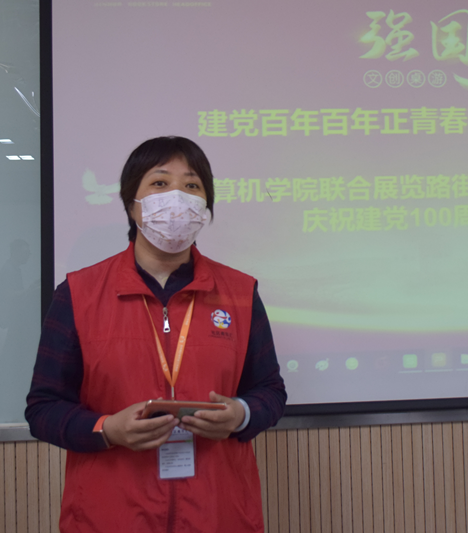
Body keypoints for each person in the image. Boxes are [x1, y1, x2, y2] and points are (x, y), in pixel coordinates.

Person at [25, 136, 287, 532]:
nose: (177, 197)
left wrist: (240, 415)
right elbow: (43, 409)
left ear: (205, 207)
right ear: (132, 203)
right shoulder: (78, 293)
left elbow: (270, 391)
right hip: (109, 517)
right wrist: (107, 430)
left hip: (218, 515)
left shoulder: (239, 292)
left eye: (192, 185)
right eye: (160, 183)